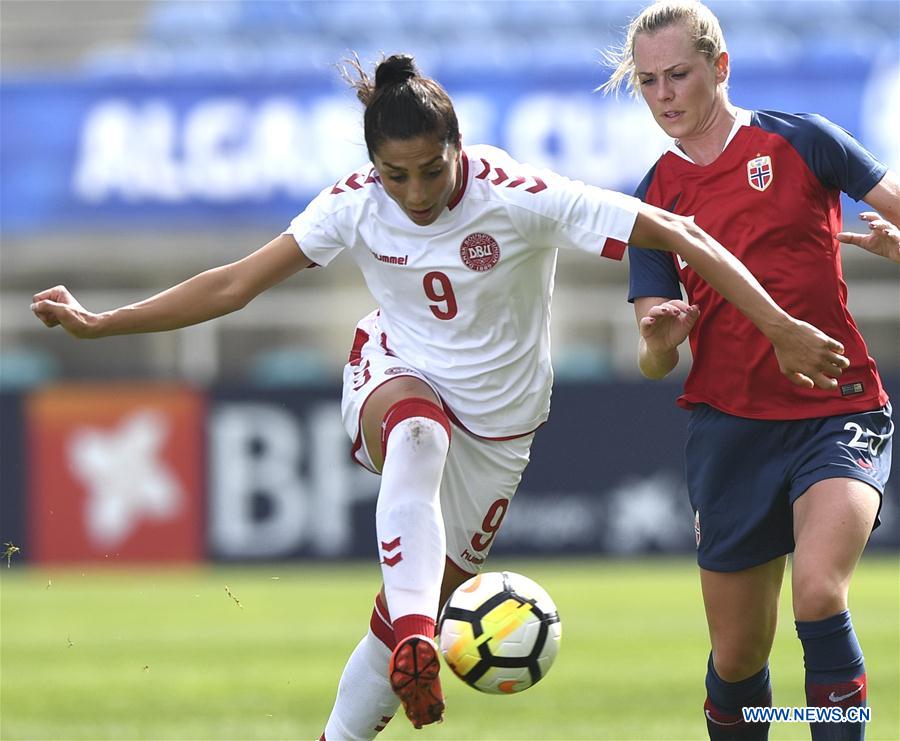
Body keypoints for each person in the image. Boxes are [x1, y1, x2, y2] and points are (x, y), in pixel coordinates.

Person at [33, 53, 849, 739]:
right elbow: (236, 283)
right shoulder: (353, 202)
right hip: (397, 372)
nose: (416, 193)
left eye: (431, 170)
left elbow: (681, 232)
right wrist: (106, 324)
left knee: (403, 604)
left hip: (500, 427)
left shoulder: (518, 194)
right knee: (418, 436)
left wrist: (775, 323)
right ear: (372, 165)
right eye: (397, 175)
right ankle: (423, 634)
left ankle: (372, 682)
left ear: (460, 146)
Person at [601, 2, 898, 739]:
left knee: (820, 593)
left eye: (678, 74)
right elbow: (650, 356)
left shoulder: (803, 141)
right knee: (738, 659)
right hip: (730, 427)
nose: (664, 94)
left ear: (720, 68)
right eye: (647, 82)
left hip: (838, 408)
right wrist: (662, 340)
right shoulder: (655, 198)